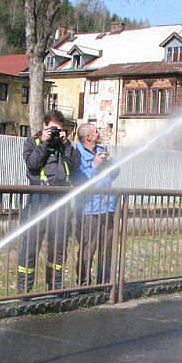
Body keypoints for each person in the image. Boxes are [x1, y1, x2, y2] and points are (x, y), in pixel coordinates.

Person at [17, 110, 81, 293]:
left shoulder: (65, 146)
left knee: (59, 245)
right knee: (30, 244)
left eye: (58, 130)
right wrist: (45, 143)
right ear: (44, 127)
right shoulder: (33, 142)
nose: (54, 133)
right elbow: (33, 164)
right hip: (39, 198)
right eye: (51, 129)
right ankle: (24, 291)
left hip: (61, 200)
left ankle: (55, 287)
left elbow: (75, 166)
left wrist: (66, 143)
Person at [72, 123, 119, 286]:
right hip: (88, 209)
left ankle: (104, 283)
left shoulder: (101, 151)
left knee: (107, 247)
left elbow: (113, 175)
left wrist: (111, 163)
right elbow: (80, 181)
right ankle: (84, 283)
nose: (98, 133)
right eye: (95, 131)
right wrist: (94, 166)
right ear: (88, 137)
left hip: (107, 207)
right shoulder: (76, 154)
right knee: (88, 247)